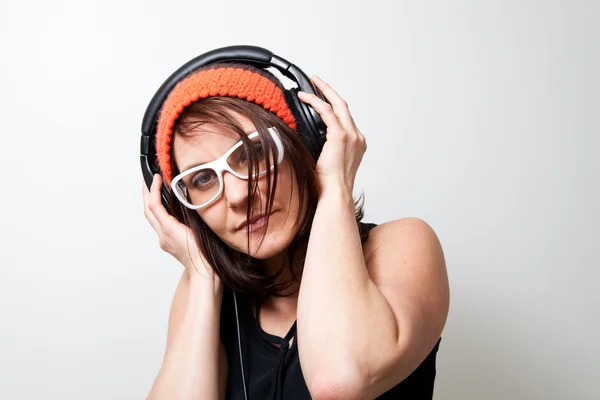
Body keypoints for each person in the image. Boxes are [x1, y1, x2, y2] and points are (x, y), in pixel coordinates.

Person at [142, 59, 450, 400]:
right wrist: (201, 275)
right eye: (202, 179)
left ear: (303, 142)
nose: (238, 195)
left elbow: (340, 380)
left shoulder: (402, 245)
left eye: (253, 152)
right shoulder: (202, 289)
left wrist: (334, 184)